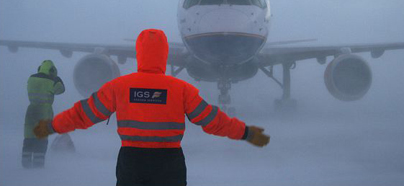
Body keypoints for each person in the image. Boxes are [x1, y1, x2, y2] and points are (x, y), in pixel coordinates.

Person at [34, 29, 270, 185]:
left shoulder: (120, 87)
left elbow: (82, 114)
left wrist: (52, 125)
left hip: (131, 162)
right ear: (164, 53)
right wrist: (246, 132)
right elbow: (213, 121)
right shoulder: (181, 90)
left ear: (139, 53)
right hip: (170, 163)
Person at [22, 60, 65, 168]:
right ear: (52, 71)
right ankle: (38, 164)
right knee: (41, 138)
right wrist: (58, 79)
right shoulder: (52, 81)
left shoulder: (31, 79)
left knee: (29, 137)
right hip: (44, 112)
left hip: (31, 110)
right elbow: (61, 90)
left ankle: (25, 163)